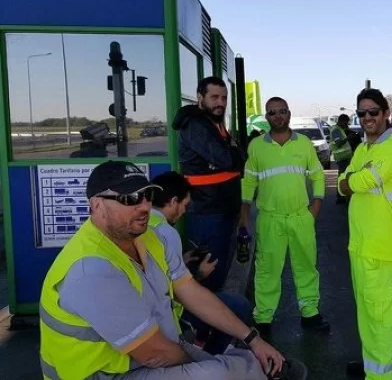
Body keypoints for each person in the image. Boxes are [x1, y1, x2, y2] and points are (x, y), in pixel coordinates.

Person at [39, 160, 284, 380]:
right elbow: (153, 353)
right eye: (130, 198)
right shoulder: (90, 270)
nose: (144, 206)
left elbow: (190, 292)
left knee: (238, 364)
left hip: (147, 354)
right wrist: (209, 367)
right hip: (104, 373)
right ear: (97, 205)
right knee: (218, 373)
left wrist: (253, 339)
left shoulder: (151, 238)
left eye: (147, 196)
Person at [241, 96, 330, 334]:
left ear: (289, 114)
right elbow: (248, 182)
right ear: (266, 117)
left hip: (301, 217)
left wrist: (316, 206)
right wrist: (244, 215)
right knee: (267, 270)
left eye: (282, 111)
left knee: (306, 268)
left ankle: (310, 314)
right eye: (272, 112)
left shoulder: (303, 144)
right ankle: (263, 319)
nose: (277, 116)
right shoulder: (256, 146)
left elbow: (318, 175)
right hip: (270, 219)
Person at [338, 88, 392, 380]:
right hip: (360, 246)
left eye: (373, 112)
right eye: (362, 113)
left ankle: (381, 376)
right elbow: (342, 182)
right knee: (366, 315)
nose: (367, 118)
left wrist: (353, 179)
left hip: (379, 248)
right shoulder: (364, 149)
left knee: (378, 317)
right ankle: (371, 368)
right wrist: (352, 179)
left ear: (386, 113)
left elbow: (360, 181)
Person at [148, 171, 255, 355]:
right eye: (184, 205)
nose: (184, 212)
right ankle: (210, 355)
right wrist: (199, 274)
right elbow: (177, 290)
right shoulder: (167, 232)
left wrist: (183, 259)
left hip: (148, 308)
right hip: (166, 313)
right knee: (239, 306)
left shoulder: (144, 222)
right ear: (173, 201)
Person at [172, 76, 246, 293]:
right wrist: (233, 155)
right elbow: (228, 158)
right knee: (209, 272)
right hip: (206, 212)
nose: (220, 103)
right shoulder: (195, 124)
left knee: (220, 269)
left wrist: (234, 155)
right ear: (200, 97)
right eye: (214, 97)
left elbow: (240, 156)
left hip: (221, 208)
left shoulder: (214, 122)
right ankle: (207, 323)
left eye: (223, 98)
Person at [329, 114, 354, 203]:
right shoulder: (336, 130)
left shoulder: (339, 129)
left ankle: (341, 196)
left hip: (344, 157)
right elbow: (338, 143)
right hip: (342, 158)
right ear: (342, 121)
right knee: (343, 177)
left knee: (343, 177)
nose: (346, 125)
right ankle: (341, 196)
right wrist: (348, 138)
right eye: (346, 123)